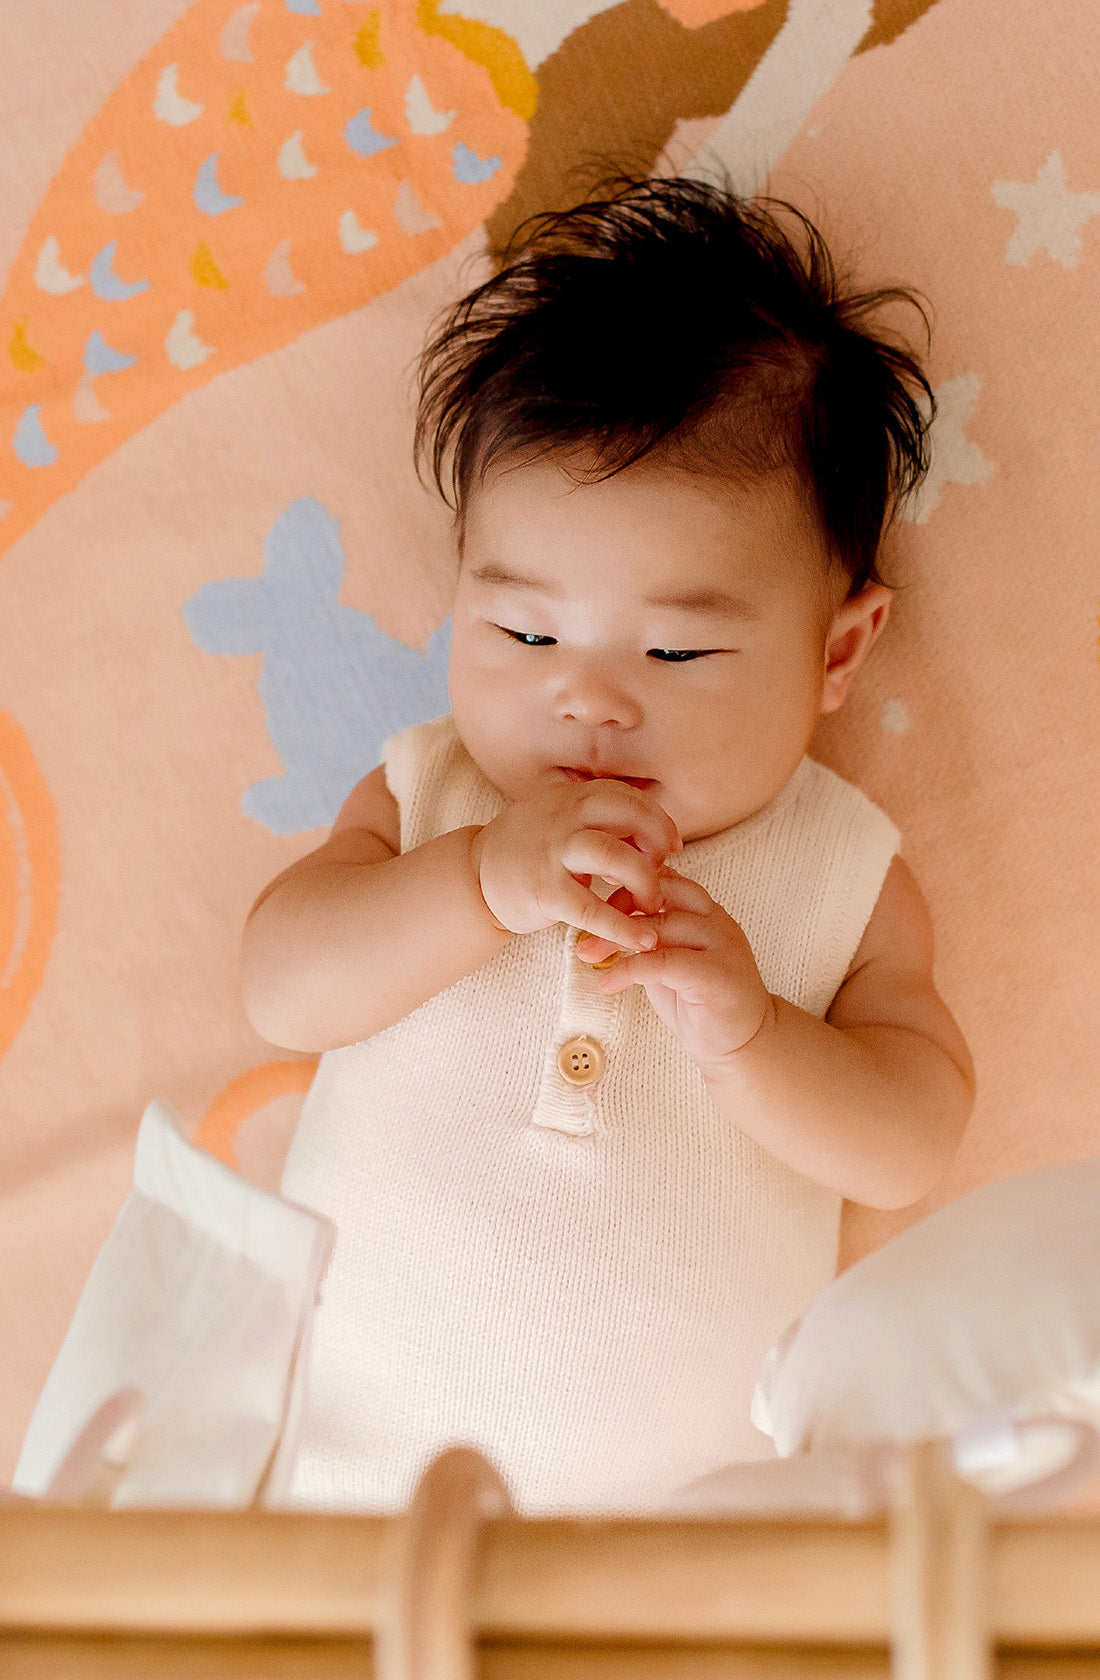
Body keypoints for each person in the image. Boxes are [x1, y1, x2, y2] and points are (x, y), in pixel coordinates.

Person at [240, 175, 976, 1517]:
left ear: (840, 651)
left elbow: (910, 1144)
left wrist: (753, 1031)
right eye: (524, 632)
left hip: (692, 1540)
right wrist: (475, 882)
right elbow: (284, 987)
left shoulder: (843, 875)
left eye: (678, 648)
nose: (588, 694)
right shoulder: (432, 798)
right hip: (353, 1509)